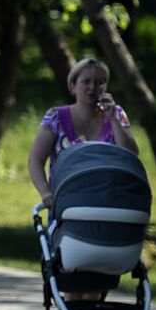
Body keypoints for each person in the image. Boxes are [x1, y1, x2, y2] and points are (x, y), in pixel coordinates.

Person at [28, 56, 139, 211]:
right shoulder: (56, 118)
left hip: (110, 203)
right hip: (67, 203)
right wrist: (46, 193)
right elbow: (35, 160)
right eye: (86, 82)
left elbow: (130, 155)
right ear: (72, 86)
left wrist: (113, 120)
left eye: (100, 82)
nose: (92, 88)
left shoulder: (116, 114)